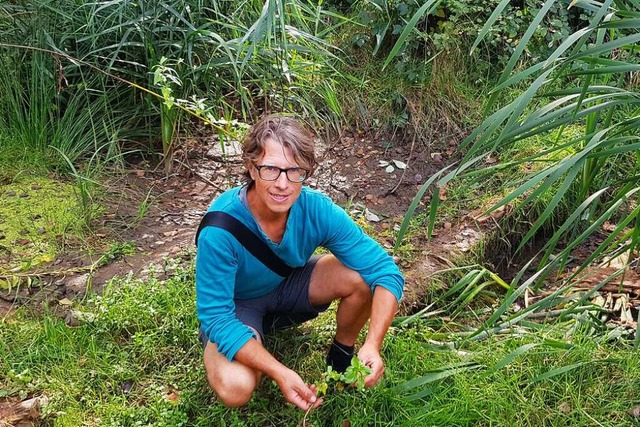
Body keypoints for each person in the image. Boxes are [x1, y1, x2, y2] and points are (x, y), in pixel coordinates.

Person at [195, 114, 404, 410]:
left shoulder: (315, 208)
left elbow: (386, 272)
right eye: (271, 169)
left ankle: (341, 355)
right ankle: (252, 337)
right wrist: (280, 372)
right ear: (251, 168)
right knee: (236, 387)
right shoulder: (220, 229)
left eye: (295, 171)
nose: (283, 184)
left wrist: (373, 344)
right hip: (237, 306)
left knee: (361, 276)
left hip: (286, 285)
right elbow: (217, 317)